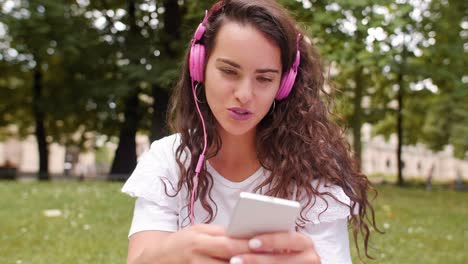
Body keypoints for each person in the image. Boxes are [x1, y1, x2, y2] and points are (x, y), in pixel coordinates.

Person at [121, 0, 380, 263]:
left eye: (265, 79)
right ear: (200, 68)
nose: (244, 95)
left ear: (284, 85)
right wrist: (169, 255)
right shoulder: (167, 159)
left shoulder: (314, 175)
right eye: (229, 71)